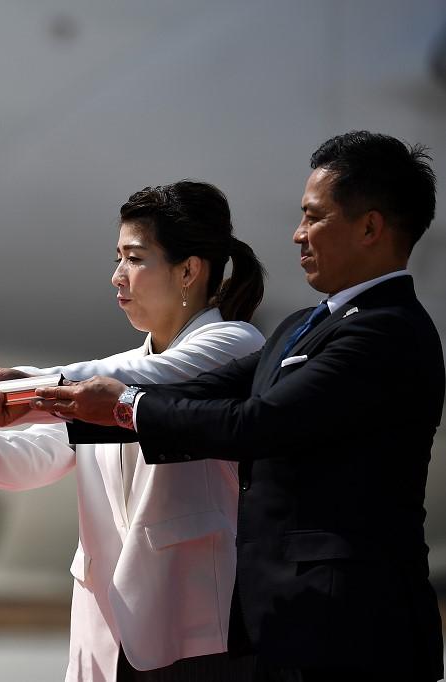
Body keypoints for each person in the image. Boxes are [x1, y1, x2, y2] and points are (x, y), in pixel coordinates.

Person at [32, 132, 444, 682]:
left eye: (315, 216)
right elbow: (203, 393)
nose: (298, 234)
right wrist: (48, 401)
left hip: (353, 626)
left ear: (370, 227)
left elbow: (259, 425)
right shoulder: (303, 326)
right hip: (283, 624)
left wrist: (124, 405)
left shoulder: (386, 332)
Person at [0, 180, 267, 681]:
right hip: (108, 628)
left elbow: (138, 383)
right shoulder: (118, 367)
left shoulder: (234, 345)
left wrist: (19, 386)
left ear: (188, 271)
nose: (118, 277)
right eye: (117, 259)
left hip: (197, 625)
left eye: (134, 259)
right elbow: (41, 453)